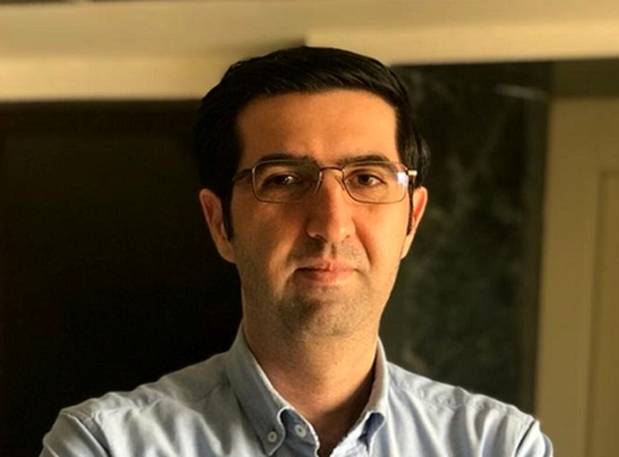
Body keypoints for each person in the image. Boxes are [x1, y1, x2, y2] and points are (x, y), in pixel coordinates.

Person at [41, 46, 553, 457]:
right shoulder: (106, 444)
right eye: (284, 180)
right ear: (220, 224)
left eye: (367, 178)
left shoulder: (500, 446)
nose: (331, 225)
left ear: (411, 221)